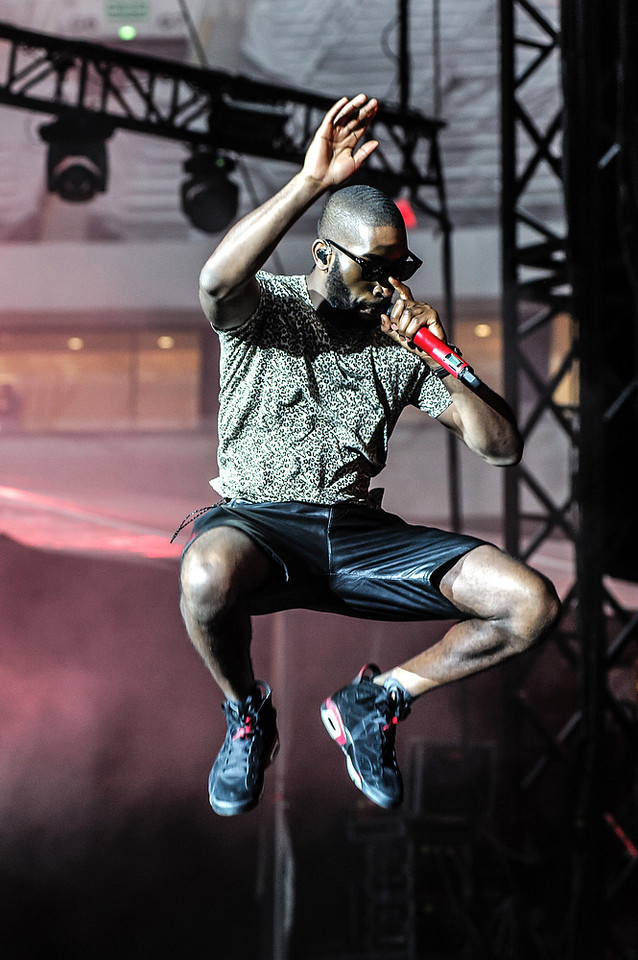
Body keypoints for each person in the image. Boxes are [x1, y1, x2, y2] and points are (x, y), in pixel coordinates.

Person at [179, 94, 561, 816]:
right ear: (325, 254)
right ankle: (247, 714)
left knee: (530, 603)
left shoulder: (401, 347)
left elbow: (502, 450)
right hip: (260, 524)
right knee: (204, 575)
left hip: (357, 537)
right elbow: (215, 283)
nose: (389, 283)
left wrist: (446, 359)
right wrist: (309, 185)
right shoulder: (268, 308)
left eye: (401, 265)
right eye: (375, 266)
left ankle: (374, 702)